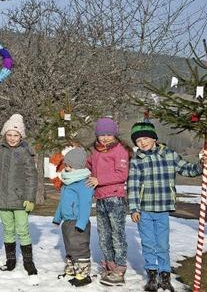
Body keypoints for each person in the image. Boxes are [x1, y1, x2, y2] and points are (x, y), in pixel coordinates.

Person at [128, 121, 207, 292]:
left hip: (163, 208)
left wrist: (201, 165)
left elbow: (187, 169)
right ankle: (151, 276)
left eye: (145, 138)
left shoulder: (169, 155)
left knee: (162, 244)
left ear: (154, 138)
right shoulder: (137, 161)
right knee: (148, 243)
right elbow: (133, 186)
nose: (142, 143)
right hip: (144, 210)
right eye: (138, 141)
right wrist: (134, 208)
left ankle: (165, 276)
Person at [0, 113, 38, 276]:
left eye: (16, 135)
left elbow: (31, 177)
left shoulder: (25, 152)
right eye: (9, 135)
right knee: (8, 229)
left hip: (20, 199)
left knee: (22, 230)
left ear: (21, 136)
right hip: (3, 198)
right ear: (5, 135)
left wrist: (30, 197)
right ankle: (11, 260)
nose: (12, 138)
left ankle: (28, 262)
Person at [86, 117, 130, 286]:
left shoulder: (120, 150)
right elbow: (87, 165)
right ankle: (109, 264)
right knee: (103, 234)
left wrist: (99, 179)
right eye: (101, 134)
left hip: (115, 198)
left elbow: (121, 174)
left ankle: (120, 267)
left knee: (116, 233)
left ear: (114, 134)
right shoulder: (96, 151)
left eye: (108, 134)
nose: (104, 138)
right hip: (100, 198)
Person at [53, 146, 94, 287]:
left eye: (70, 166)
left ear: (78, 167)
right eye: (67, 165)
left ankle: (83, 274)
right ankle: (72, 269)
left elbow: (85, 204)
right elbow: (62, 202)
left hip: (78, 221)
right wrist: (57, 217)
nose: (67, 168)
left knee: (79, 248)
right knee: (70, 246)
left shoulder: (84, 183)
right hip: (67, 221)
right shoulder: (68, 182)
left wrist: (81, 223)